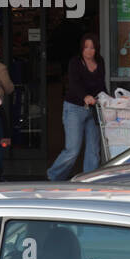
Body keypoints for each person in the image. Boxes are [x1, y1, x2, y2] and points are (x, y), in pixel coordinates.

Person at [46, 33, 106, 180]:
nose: (89, 51)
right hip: (74, 108)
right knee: (72, 149)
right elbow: (74, 84)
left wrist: (107, 98)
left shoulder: (101, 61)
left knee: (93, 149)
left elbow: (101, 85)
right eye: (86, 47)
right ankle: (54, 176)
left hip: (93, 110)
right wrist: (85, 96)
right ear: (81, 48)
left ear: (97, 49)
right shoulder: (75, 62)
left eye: (92, 47)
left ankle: (88, 180)